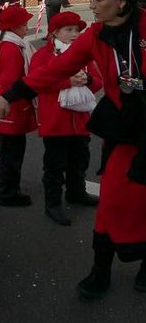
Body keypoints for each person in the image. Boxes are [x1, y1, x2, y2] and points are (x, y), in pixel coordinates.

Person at [0, 0, 146, 299]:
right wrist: (9, 96)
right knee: (113, 200)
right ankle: (99, 271)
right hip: (127, 133)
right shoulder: (95, 35)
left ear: (122, 3)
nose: (94, 5)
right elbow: (54, 71)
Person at [29, 12, 102, 225]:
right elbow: (36, 83)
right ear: (55, 33)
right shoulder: (43, 56)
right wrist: (67, 82)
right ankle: (53, 204)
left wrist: (87, 79)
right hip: (55, 121)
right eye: (68, 30)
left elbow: (98, 83)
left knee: (79, 161)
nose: (74, 34)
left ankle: (76, 192)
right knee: (55, 166)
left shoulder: (83, 56)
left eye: (77, 30)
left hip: (80, 121)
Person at [0, 6, 37, 206]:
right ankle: (8, 192)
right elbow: (12, 81)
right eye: (24, 25)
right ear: (15, 27)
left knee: (4, 150)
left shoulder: (7, 44)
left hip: (8, 106)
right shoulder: (12, 49)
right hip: (12, 108)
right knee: (12, 153)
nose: (27, 28)